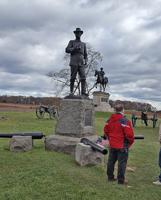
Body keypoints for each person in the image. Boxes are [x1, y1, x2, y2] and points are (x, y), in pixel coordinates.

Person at [104, 104, 134, 184]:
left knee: (111, 161)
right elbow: (130, 135)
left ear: (115, 110)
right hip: (122, 145)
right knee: (122, 163)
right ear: (122, 110)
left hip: (112, 145)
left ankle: (110, 177)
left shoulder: (109, 120)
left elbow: (106, 131)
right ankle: (121, 180)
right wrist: (130, 143)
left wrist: (111, 138)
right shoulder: (125, 121)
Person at [65, 28, 88, 95]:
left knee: (83, 77)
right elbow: (67, 50)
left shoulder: (83, 44)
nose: (78, 34)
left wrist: (86, 60)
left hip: (81, 62)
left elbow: (86, 54)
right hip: (74, 61)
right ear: (75, 34)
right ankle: (71, 91)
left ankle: (83, 92)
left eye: (79, 33)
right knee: (73, 77)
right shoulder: (71, 42)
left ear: (81, 34)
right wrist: (74, 49)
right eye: (76, 33)